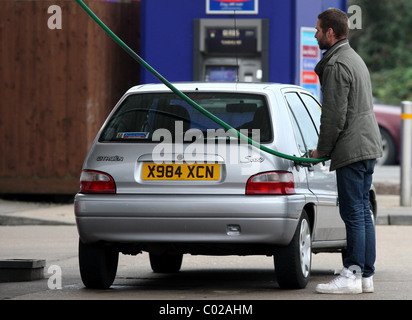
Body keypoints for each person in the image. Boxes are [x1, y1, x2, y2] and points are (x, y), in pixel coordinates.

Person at [310, 8, 383, 294]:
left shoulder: (336, 64)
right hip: (367, 145)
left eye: (318, 29)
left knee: (353, 213)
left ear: (330, 32)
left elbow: (333, 116)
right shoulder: (354, 58)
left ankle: (351, 275)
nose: (315, 34)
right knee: (363, 212)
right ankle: (365, 276)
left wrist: (321, 151)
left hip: (352, 148)